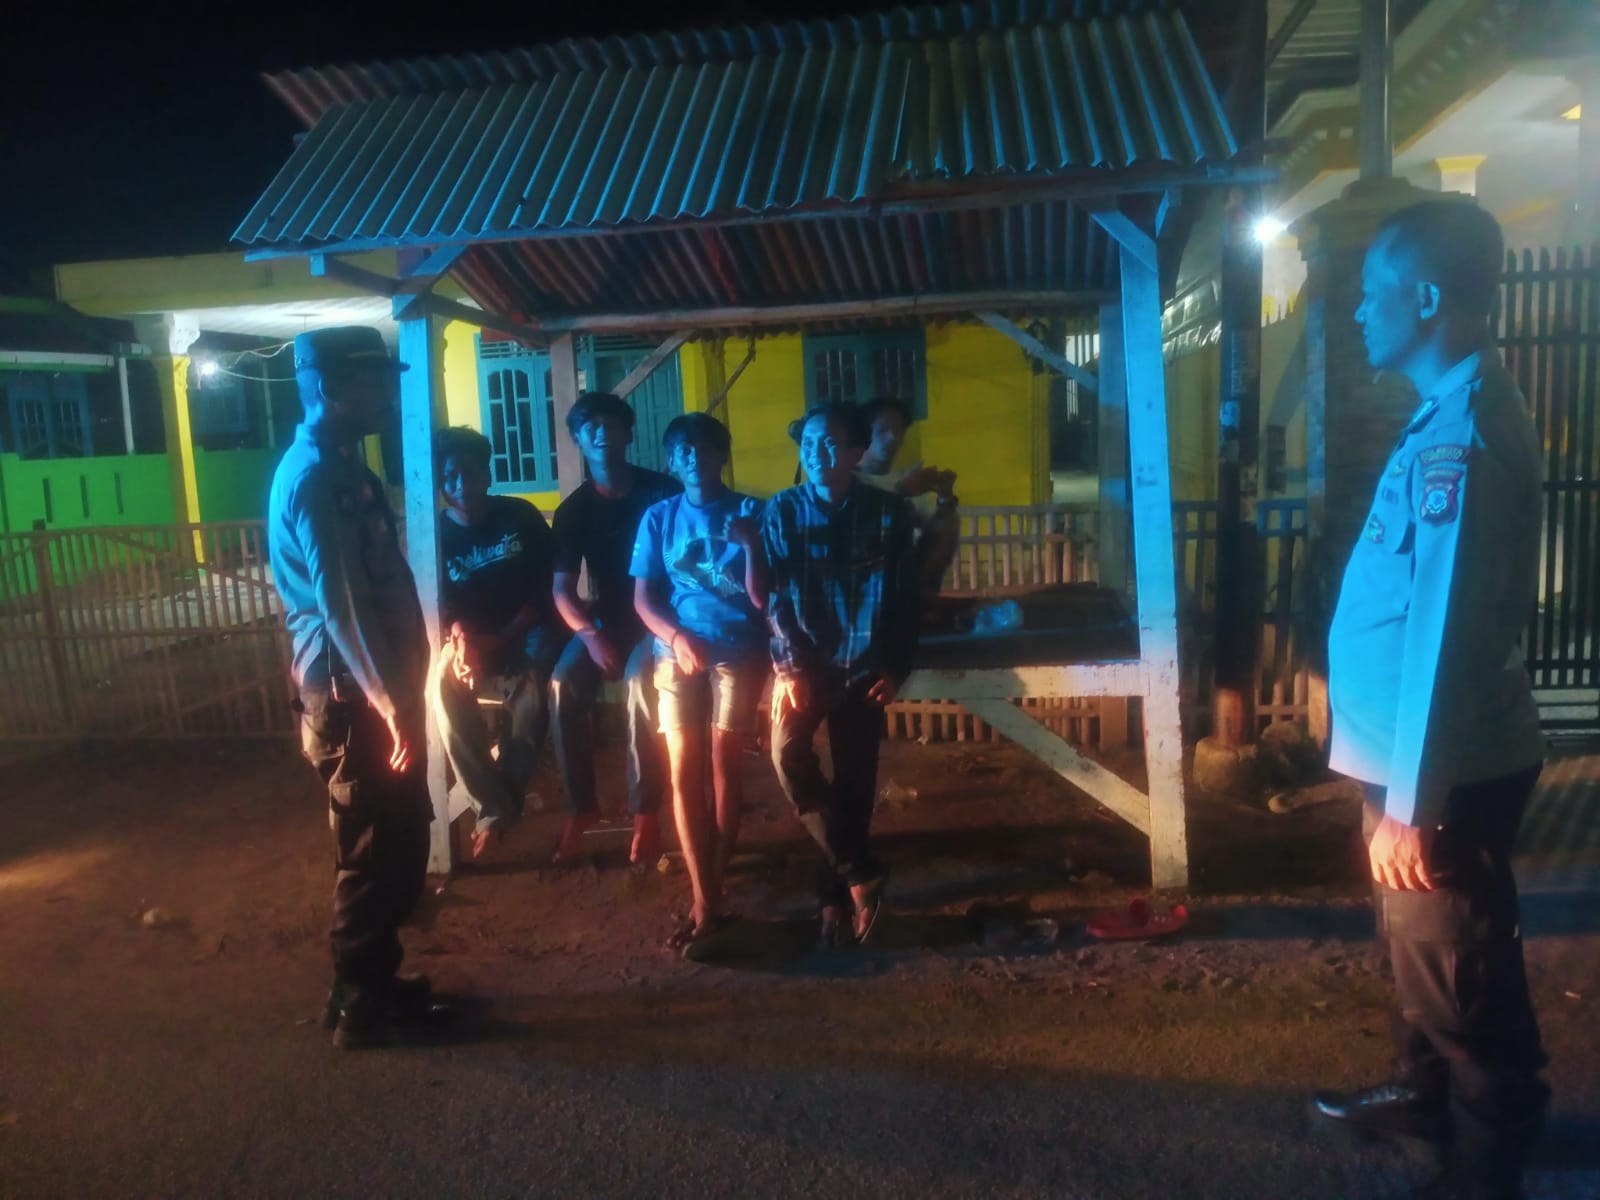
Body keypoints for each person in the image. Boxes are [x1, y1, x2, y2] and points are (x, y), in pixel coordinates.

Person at [1309, 201, 1548, 1200]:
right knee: (1418, 952)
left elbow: (1445, 632)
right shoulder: (1443, 411)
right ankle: (1421, 1092)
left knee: (1456, 972)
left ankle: (1486, 1162)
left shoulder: (1465, 435)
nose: (1358, 310)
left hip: (1441, 772)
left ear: (1426, 297)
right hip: (1410, 761)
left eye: (1373, 292)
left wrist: (1413, 803)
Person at [266, 326, 452, 1050]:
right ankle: (360, 1004)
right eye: (371, 381)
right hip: (352, 697)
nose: (384, 395)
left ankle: (371, 983)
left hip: (370, 692)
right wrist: (389, 701)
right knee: (371, 848)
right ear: (329, 387)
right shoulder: (317, 479)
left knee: (397, 836)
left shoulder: (343, 467)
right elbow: (341, 602)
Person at [763, 402, 921, 950]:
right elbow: (775, 598)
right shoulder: (782, 511)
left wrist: (895, 667)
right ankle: (859, 873)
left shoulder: (887, 514)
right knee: (787, 755)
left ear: (856, 453)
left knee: (855, 782)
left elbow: (905, 599)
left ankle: (832, 898)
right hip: (806, 665)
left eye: (830, 443)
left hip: (863, 665)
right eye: (808, 443)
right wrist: (789, 667)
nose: (816, 452)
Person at [629, 413, 768, 949]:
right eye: (684, 451)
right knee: (682, 770)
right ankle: (704, 893)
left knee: (724, 765)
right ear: (672, 461)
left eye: (706, 448)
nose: (695, 458)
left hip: (738, 649)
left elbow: (763, 599)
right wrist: (677, 636)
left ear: (722, 456)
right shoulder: (659, 517)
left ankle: (713, 883)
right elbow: (644, 600)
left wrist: (752, 546)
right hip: (677, 648)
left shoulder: (751, 511)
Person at [549, 392, 681, 867]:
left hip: (663, 617)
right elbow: (562, 590)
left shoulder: (662, 492)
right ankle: (581, 807)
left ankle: (645, 811)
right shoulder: (574, 510)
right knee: (561, 685)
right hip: (606, 619)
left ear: (628, 434)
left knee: (640, 683)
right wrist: (591, 636)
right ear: (578, 440)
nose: (602, 433)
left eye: (611, 425)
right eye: (591, 428)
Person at [429, 426, 568, 860]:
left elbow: (544, 591)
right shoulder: (434, 535)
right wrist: (462, 640)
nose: (461, 485)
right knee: (442, 687)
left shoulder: (519, 516)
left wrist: (500, 638)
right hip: (469, 638)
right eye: (449, 477)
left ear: (487, 474)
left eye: (470, 474)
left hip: (527, 630)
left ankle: (496, 809)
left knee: (534, 695)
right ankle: (495, 807)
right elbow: (438, 603)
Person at [856, 395, 961, 594]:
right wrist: (901, 492)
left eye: (899, 430)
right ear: (863, 433)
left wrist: (945, 498)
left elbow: (935, 537)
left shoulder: (909, 478)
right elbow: (858, 529)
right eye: (883, 429)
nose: (893, 437)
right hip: (864, 588)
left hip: (904, 583)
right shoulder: (847, 480)